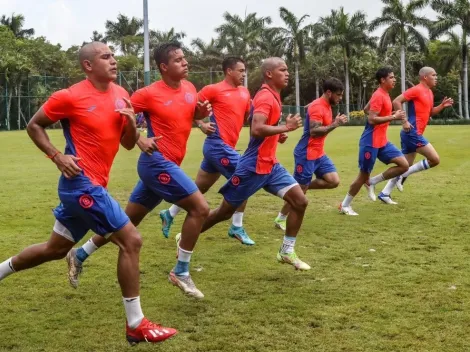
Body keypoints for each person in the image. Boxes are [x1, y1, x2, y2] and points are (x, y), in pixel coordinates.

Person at [0, 42, 177, 344]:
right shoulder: (69, 96)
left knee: (55, 249)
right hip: (81, 184)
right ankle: (135, 323)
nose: (113, 60)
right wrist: (57, 156)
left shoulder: (121, 94)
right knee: (131, 240)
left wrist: (132, 123)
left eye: (113, 55)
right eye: (105, 56)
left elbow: (128, 143)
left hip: (94, 185)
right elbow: (34, 125)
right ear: (88, 65)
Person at [66, 42, 211, 299]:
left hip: (170, 165)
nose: (185, 62)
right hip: (156, 163)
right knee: (200, 208)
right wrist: (141, 138)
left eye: (185, 58)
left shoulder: (190, 88)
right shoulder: (148, 93)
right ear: (164, 67)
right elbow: (122, 114)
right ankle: (181, 270)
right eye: (178, 60)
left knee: (126, 222)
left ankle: (80, 254)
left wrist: (198, 117)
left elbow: (183, 115)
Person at [197, 57, 311, 270]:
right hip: (253, 166)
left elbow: (264, 130)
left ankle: (286, 251)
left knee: (300, 202)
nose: (287, 73)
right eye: (283, 70)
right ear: (269, 74)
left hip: (271, 165)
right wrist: (285, 129)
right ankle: (185, 237)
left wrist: (277, 134)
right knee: (223, 213)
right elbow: (257, 129)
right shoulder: (266, 97)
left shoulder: (274, 95)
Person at [159, 56, 255, 245]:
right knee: (244, 178)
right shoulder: (213, 89)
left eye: (245, 71)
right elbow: (191, 108)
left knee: (198, 188)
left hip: (226, 147)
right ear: (229, 71)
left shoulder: (245, 92)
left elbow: (248, 117)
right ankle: (236, 226)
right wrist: (201, 124)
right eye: (241, 70)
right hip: (217, 145)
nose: (244, 74)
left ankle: (169, 213)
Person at [274, 78, 347, 230]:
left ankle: (300, 187)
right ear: (328, 92)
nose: (340, 98)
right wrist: (335, 123)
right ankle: (280, 218)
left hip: (319, 153)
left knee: (333, 181)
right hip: (306, 153)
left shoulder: (325, 104)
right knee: (300, 191)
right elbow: (314, 132)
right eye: (338, 95)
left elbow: (312, 107)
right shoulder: (318, 107)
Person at [340, 67, 409, 215]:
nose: (394, 79)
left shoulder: (383, 94)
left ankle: (372, 182)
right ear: (382, 80)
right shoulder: (379, 95)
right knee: (363, 175)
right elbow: (371, 119)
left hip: (382, 141)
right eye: (391, 77)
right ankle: (345, 205)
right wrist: (393, 117)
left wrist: (391, 114)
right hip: (370, 142)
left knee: (404, 165)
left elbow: (366, 109)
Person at [380, 67, 453, 198]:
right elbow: (396, 101)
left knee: (405, 165)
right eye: (434, 75)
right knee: (434, 160)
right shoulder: (416, 90)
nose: (436, 77)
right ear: (425, 77)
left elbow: (431, 112)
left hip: (412, 133)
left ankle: (385, 193)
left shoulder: (430, 93)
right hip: (413, 132)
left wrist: (442, 106)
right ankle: (402, 175)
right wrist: (404, 121)